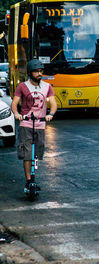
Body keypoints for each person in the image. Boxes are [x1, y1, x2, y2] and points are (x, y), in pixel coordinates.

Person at [11, 59, 57, 194]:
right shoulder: (22, 87)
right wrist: (17, 114)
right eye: (36, 71)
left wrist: (51, 114)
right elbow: (14, 103)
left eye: (41, 71)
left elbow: (53, 103)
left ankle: (33, 174)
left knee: (37, 152)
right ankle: (29, 179)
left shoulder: (47, 87)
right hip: (26, 123)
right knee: (27, 153)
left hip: (40, 124)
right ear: (30, 73)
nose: (39, 74)